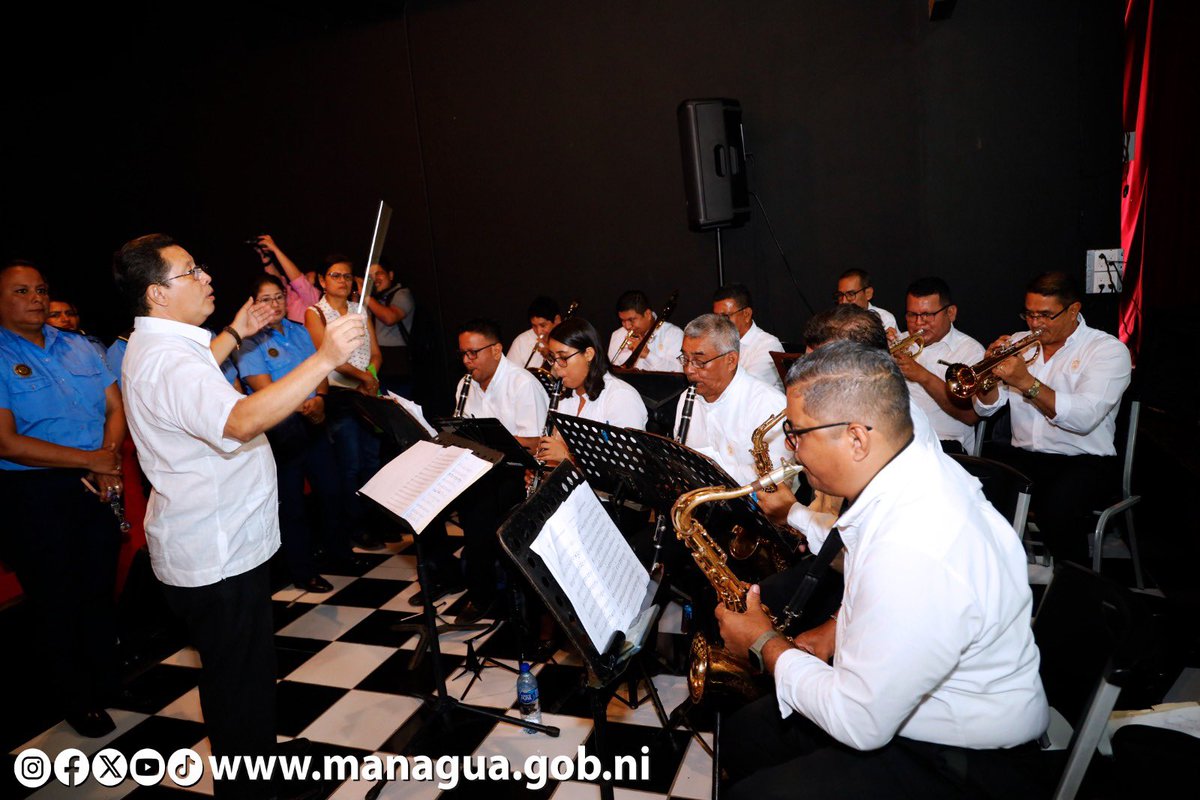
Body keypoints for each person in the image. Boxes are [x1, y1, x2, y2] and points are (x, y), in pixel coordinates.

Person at [717, 341, 1049, 800]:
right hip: (908, 715)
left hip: (961, 757)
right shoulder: (906, 461)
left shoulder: (916, 545)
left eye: (798, 434)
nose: (792, 449)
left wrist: (763, 643)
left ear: (857, 438)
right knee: (741, 736)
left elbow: (861, 722)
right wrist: (836, 631)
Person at [114, 233, 364, 798]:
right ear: (157, 293)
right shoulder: (166, 360)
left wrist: (233, 333)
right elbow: (242, 420)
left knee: (242, 676)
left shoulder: (163, 346)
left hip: (216, 541)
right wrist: (325, 357)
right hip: (218, 549)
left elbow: (195, 378)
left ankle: (255, 772)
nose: (206, 276)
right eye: (190, 271)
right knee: (239, 686)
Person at [0, 260, 125, 738]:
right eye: (21, 290)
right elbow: (6, 442)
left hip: (99, 477)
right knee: (57, 598)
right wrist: (89, 461)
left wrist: (109, 462)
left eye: (41, 289)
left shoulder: (79, 345)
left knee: (98, 588)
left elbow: (115, 407)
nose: (35, 298)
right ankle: (75, 697)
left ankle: (109, 682)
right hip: (34, 491)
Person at [974, 271, 1132, 566]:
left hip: (1083, 459)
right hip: (1025, 457)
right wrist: (987, 378)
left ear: (1073, 310)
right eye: (1030, 315)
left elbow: (1084, 418)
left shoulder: (1107, 350)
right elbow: (987, 409)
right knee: (971, 496)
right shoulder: (1019, 343)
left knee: (1057, 511)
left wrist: (1026, 382)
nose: (1035, 324)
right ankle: (999, 585)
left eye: (1045, 315)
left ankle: (1077, 591)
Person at [418, 319, 549, 624]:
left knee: (494, 526)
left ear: (497, 350)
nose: (467, 361)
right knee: (471, 528)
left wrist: (493, 441)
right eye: (463, 354)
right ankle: (482, 595)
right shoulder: (465, 384)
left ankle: (521, 602)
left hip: (517, 474)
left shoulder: (522, 384)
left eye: (473, 353)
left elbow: (536, 442)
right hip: (481, 470)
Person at [236, 274, 348, 593]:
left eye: (279, 297)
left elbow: (321, 368)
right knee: (292, 502)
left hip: (315, 419)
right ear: (253, 305)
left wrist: (321, 400)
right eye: (266, 299)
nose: (275, 305)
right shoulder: (249, 342)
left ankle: (338, 554)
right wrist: (305, 405)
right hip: (281, 429)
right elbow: (264, 390)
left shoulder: (299, 332)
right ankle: (302, 570)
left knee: (331, 490)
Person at [305, 255, 384, 551]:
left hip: (369, 391)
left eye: (347, 276)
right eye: (335, 275)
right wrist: (364, 377)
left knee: (373, 460)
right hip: (340, 396)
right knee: (350, 464)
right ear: (323, 281)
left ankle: (375, 520)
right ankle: (355, 527)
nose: (342, 281)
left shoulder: (360, 309)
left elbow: (375, 350)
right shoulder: (316, 313)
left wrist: (372, 376)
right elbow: (329, 357)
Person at [673, 313, 788, 484]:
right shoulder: (686, 399)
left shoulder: (767, 403)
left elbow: (778, 478)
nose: (689, 370)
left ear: (731, 360)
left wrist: (707, 470)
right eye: (685, 359)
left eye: (699, 361)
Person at [535, 316, 648, 466]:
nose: (556, 366)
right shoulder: (564, 399)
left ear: (588, 354)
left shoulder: (620, 397)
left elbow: (628, 466)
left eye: (562, 357)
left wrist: (568, 458)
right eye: (553, 358)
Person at [890, 277, 985, 454]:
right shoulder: (899, 342)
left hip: (945, 446)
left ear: (950, 313)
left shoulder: (971, 352)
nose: (918, 323)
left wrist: (923, 376)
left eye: (927, 315)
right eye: (912, 315)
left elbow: (971, 416)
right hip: (898, 441)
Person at [712, 283, 785, 390]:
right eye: (715, 317)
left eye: (725, 316)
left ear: (746, 314)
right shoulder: (715, 342)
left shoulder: (768, 345)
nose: (719, 323)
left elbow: (746, 388)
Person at [363, 258, 416, 398]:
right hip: (375, 361)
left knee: (398, 409)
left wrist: (366, 297)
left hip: (397, 364)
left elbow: (389, 318)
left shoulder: (402, 294)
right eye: (370, 277)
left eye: (379, 274)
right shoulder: (373, 300)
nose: (375, 279)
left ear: (390, 275)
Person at [607, 290, 684, 372]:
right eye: (622, 320)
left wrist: (647, 354)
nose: (627, 326)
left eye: (631, 320)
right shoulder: (617, 335)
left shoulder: (674, 334)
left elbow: (678, 370)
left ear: (648, 314)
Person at [250, 234, 321, 324]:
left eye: (308, 280)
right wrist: (266, 258)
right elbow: (277, 283)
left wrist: (275, 249)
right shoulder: (294, 299)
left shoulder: (316, 299)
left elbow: (299, 281)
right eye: (305, 277)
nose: (305, 280)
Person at [506, 295, 562, 372]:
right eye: (534, 326)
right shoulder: (521, 341)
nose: (539, 332)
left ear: (557, 320)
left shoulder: (568, 340)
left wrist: (550, 355)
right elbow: (509, 374)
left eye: (543, 325)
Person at [834, 268, 897, 333]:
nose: (844, 301)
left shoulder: (884, 319)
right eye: (840, 295)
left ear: (868, 293)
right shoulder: (834, 321)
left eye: (851, 294)